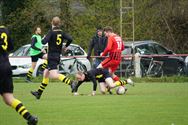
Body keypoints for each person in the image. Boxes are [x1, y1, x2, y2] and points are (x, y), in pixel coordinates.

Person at [0, 25, 38, 125]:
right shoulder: (4, 30)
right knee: (9, 98)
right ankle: (30, 118)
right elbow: (10, 47)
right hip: (5, 66)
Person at [31, 16, 75, 100]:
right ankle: (39, 93)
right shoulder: (61, 32)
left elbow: (43, 42)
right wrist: (65, 46)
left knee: (54, 75)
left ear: (52, 23)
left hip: (51, 56)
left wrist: (44, 37)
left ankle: (71, 83)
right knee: (46, 73)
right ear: (59, 23)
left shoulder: (51, 32)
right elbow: (70, 38)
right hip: (57, 55)